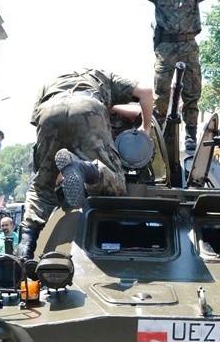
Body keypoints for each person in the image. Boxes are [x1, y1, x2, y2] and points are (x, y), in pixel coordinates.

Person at [17, 68, 153, 261]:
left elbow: (42, 122)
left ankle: (24, 251)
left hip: (49, 110)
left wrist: (54, 176)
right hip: (89, 108)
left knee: (41, 188)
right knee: (117, 185)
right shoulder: (105, 76)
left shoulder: (53, 80)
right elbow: (146, 92)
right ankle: (85, 168)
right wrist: (145, 129)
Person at [133, 0, 220, 151]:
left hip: (189, 45)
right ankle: (158, 135)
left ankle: (190, 135)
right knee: (161, 94)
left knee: (192, 92)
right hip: (166, 47)